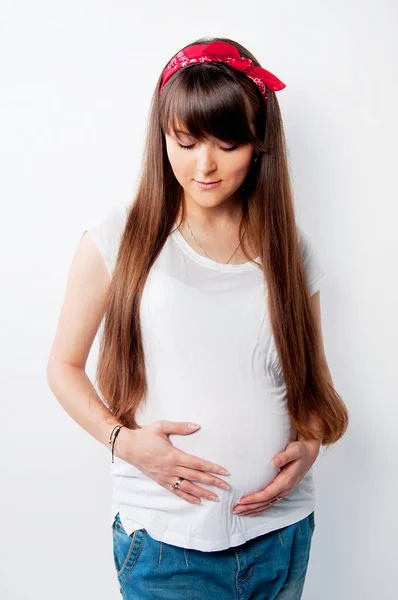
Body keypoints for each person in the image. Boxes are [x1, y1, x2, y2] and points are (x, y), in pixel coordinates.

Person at [47, 37, 349, 599]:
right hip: (167, 545)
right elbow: (63, 366)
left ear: (260, 146)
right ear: (162, 137)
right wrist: (125, 443)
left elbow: (313, 385)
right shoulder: (120, 236)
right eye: (184, 142)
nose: (203, 165)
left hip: (280, 536)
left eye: (227, 144)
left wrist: (308, 447)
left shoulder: (289, 249)